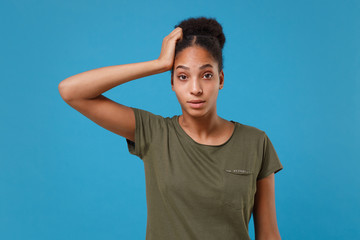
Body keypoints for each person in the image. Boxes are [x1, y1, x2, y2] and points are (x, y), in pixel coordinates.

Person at [58, 16, 284, 240]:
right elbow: (71, 91)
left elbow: (268, 234)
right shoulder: (155, 133)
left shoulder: (255, 142)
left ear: (220, 79)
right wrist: (159, 64)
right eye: (183, 76)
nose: (195, 89)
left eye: (206, 75)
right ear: (172, 83)